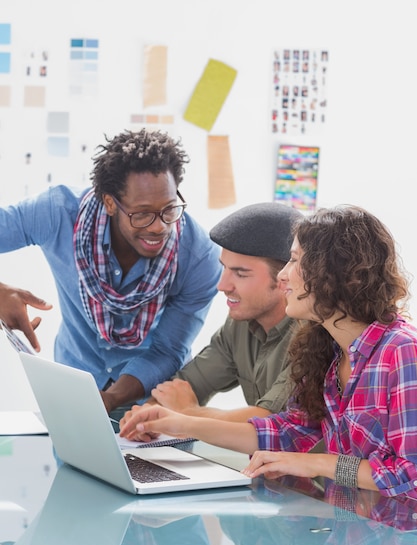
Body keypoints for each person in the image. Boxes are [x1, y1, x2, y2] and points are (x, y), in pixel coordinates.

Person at [120, 204, 417, 499]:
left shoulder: (402, 350)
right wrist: (179, 423)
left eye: (294, 261)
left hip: (395, 540)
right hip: (346, 531)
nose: (284, 275)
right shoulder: (326, 348)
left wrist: (314, 462)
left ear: (334, 274)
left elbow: (408, 474)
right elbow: (286, 432)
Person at [0, 128, 221, 420]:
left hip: (153, 407)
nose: (160, 227)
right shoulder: (57, 213)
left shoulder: (198, 256)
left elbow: (168, 350)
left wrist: (110, 399)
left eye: (169, 209)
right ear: (109, 203)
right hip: (73, 394)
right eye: (142, 213)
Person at [125, 202, 302, 425]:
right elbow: (186, 385)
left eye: (240, 274)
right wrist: (146, 416)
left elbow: (269, 423)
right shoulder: (239, 324)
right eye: (224, 268)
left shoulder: (311, 335)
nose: (222, 285)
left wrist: (189, 412)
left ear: (286, 277)